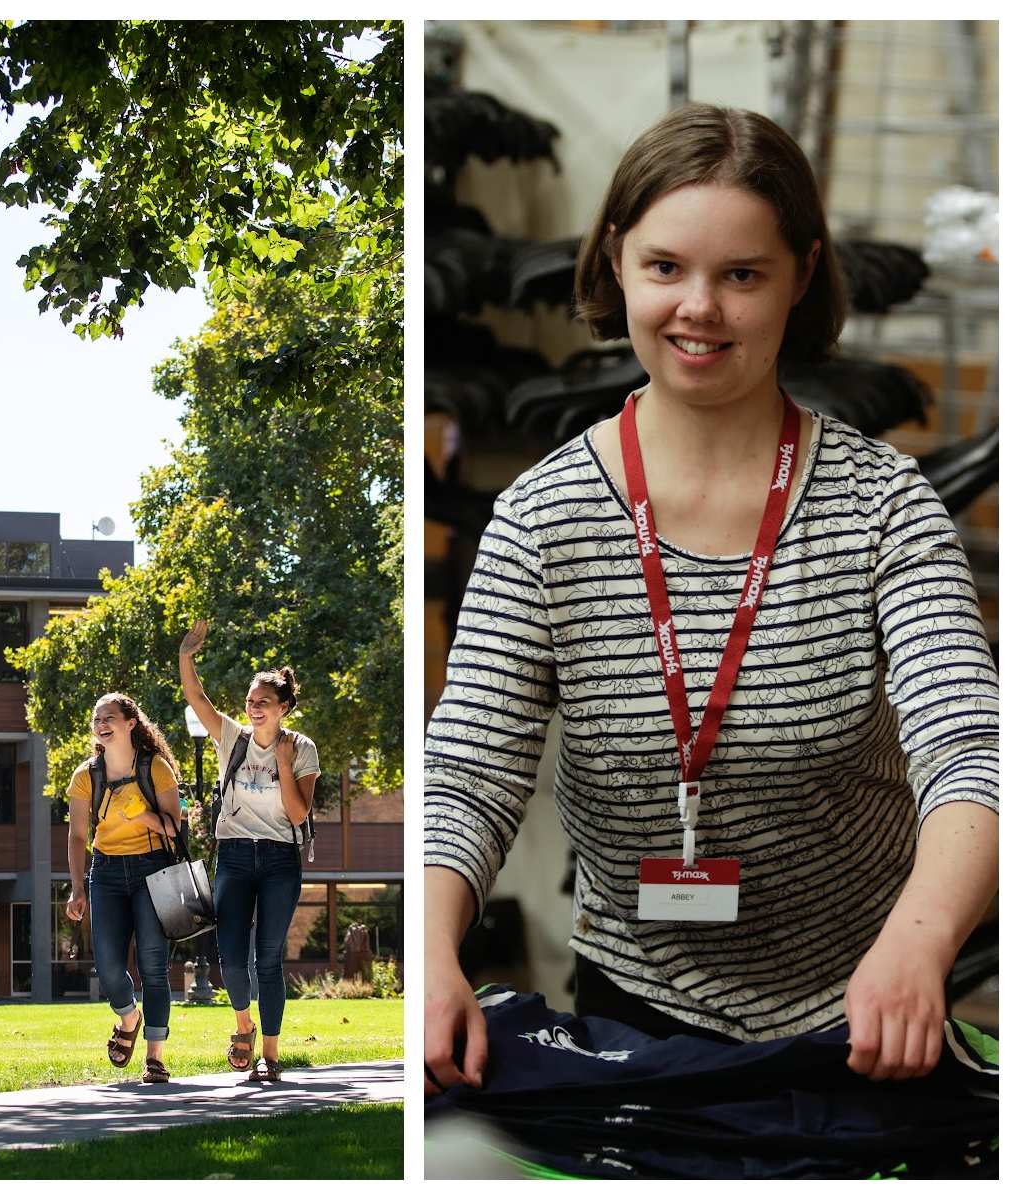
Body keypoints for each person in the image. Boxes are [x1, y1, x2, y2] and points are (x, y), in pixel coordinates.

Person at [423, 104, 997, 1095]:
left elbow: (972, 749)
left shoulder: (886, 507)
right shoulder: (539, 520)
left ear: (801, 277)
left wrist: (921, 944)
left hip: (864, 1004)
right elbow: (471, 768)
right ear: (615, 264)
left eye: (743, 274)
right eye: (666, 268)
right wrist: (433, 955)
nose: (701, 308)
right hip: (637, 1004)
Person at [178, 619, 319, 1083]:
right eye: (250, 702)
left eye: (263, 702)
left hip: (279, 860)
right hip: (235, 856)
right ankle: (244, 1026)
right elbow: (197, 699)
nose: (254, 708)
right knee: (232, 957)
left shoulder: (301, 750)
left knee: (269, 959)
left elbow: (298, 816)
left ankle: (271, 1056)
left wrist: (281, 763)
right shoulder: (231, 738)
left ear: (283, 707)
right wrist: (186, 656)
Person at [61, 692, 184, 1083]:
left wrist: (140, 813)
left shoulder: (156, 768)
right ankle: (129, 1016)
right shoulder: (86, 776)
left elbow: (174, 829)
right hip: (108, 872)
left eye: (109, 717)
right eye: (96, 718)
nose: (101, 724)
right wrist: (77, 887)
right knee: (110, 965)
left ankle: (156, 1056)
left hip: (153, 871)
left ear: (131, 723)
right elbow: (78, 836)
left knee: (153, 965)